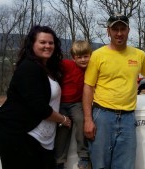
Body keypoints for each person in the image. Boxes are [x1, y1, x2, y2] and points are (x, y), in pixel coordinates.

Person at [82, 13, 145, 169]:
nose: (119, 33)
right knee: (99, 164)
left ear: (128, 30)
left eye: (122, 29)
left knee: (125, 165)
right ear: (108, 31)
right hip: (102, 116)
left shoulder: (139, 55)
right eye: (115, 29)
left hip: (127, 117)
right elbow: (88, 87)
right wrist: (88, 119)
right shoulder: (97, 56)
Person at [0, 25, 71, 169]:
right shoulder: (28, 68)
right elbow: (39, 108)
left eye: (51, 43)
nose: (48, 46)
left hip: (41, 140)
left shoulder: (48, 69)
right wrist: (64, 120)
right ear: (32, 44)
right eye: (42, 42)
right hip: (19, 135)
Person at [54, 40, 92, 169]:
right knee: (63, 128)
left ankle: (84, 155)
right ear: (73, 57)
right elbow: (53, 63)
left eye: (86, 56)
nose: (82, 60)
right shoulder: (67, 65)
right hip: (61, 103)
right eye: (79, 57)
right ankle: (59, 161)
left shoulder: (91, 69)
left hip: (76, 103)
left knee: (81, 121)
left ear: (90, 55)